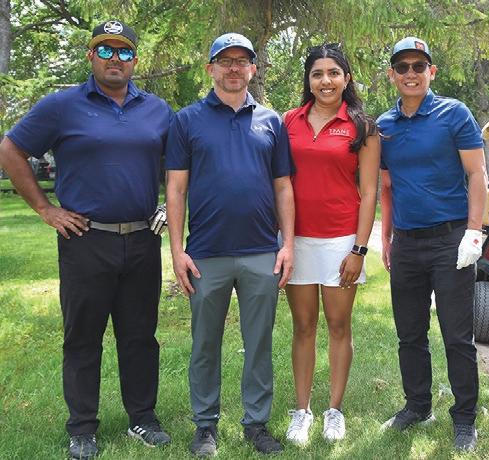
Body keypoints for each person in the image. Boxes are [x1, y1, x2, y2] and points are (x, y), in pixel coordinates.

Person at [0, 20, 173, 459]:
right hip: (85, 240)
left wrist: (171, 207)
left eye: (124, 52)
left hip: (142, 240)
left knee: (140, 336)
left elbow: (178, 166)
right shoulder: (62, 106)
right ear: (90, 56)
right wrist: (46, 209)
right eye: (106, 50)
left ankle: (142, 419)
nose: (115, 59)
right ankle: (82, 428)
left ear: (135, 60)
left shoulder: (157, 111)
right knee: (83, 336)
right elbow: (10, 149)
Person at [165, 33, 294, 457]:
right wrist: (177, 251)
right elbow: (176, 189)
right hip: (206, 253)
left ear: (253, 68)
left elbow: (283, 187)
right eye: (225, 61)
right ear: (211, 69)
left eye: (242, 61)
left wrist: (288, 244)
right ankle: (205, 426)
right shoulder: (187, 120)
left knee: (259, 344)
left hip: (261, 251)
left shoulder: (271, 121)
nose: (234, 68)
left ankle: (256, 424)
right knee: (205, 344)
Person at [378, 37, 487, 451]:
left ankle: (465, 418)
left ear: (431, 72)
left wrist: (474, 232)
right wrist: (386, 236)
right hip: (407, 243)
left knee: (457, 335)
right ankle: (418, 406)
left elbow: (476, 174)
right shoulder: (384, 126)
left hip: (450, 240)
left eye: (418, 66)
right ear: (392, 74)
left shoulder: (453, 113)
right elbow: (387, 186)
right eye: (403, 67)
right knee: (410, 333)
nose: (411, 74)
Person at [282, 43, 380, 444]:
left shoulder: (363, 127)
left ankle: (334, 411)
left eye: (333, 73)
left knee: (339, 326)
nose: (326, 81)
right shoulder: (288, 121)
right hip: (297, 239)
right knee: (303, 326)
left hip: (342, 240)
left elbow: (370, 193)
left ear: (347, 78)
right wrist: (284, 242)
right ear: (308, 80)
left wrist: (359, 250)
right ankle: (301, 411)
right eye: (318, 73)